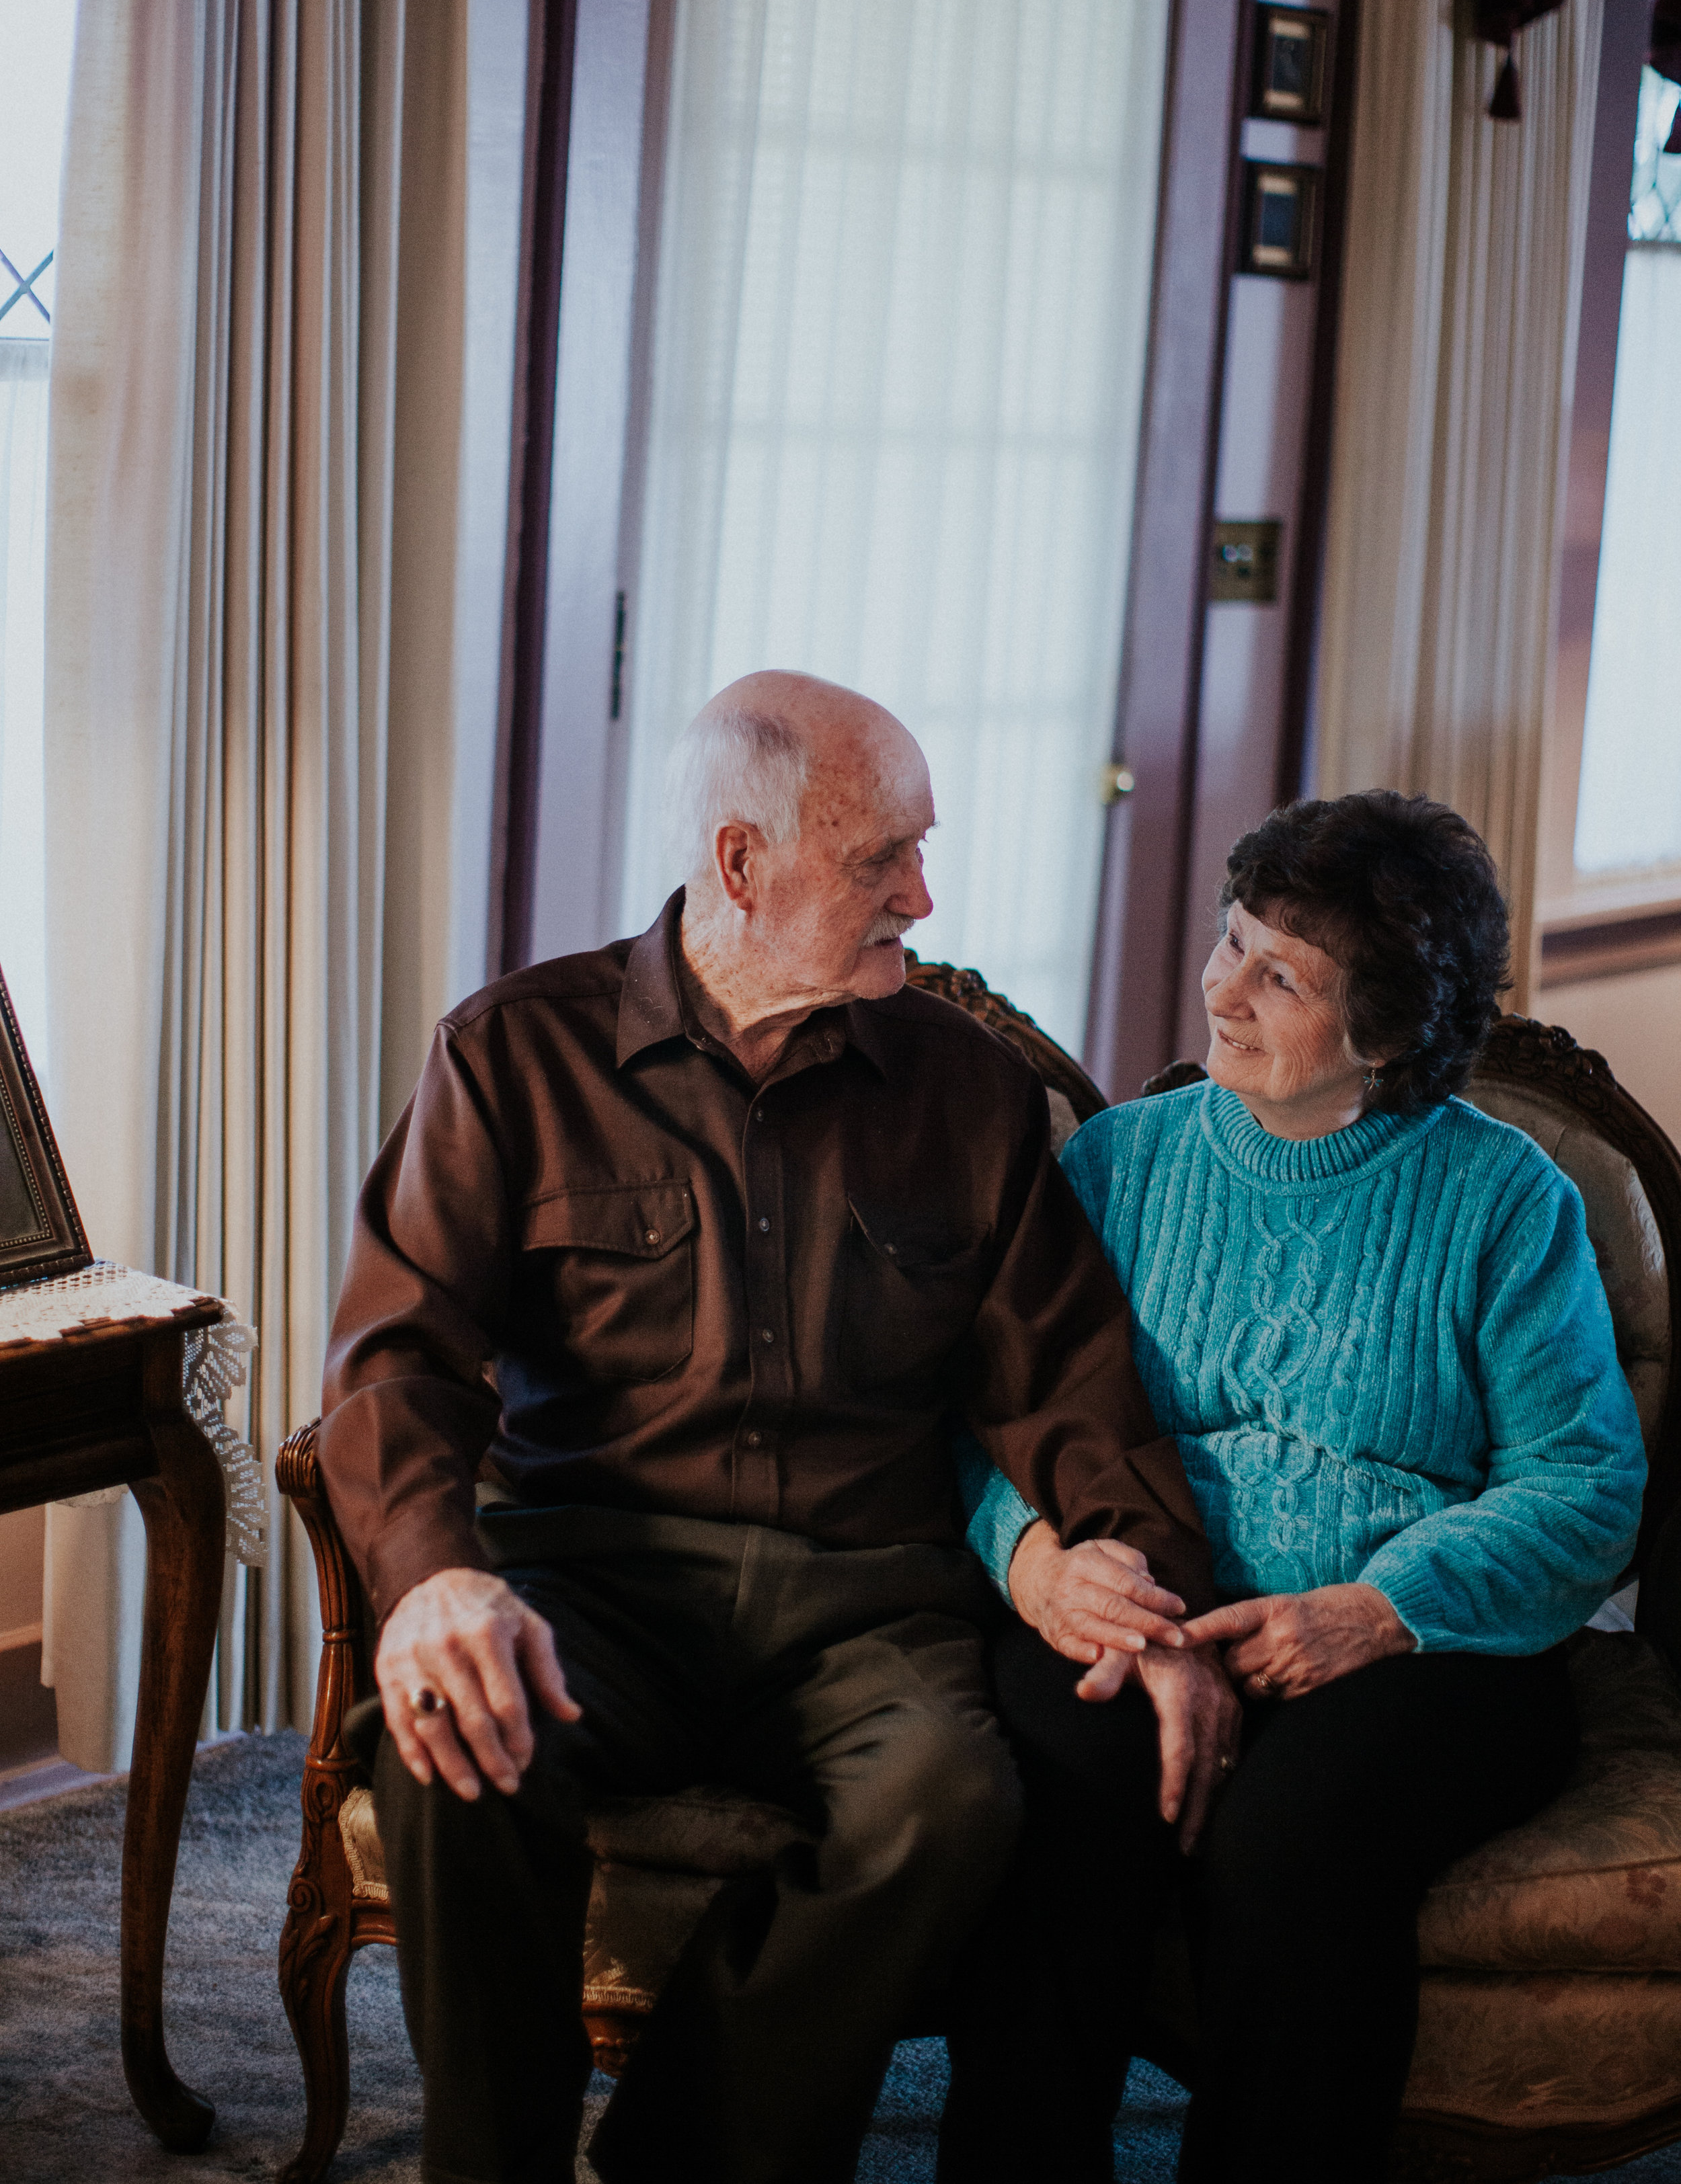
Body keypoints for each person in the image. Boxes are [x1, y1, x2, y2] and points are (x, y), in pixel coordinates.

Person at [316, 669, 1232, 2184]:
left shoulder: (970, 1095)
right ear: (740, 865)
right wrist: (435, 1579)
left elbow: (1061, 1388)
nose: (921, 898)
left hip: (864, 1603)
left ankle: (682, 2154)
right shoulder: (513, 1055)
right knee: (446, 1741)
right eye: (883, 859)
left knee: (948, 1801)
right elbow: (396, 1356)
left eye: (918, 852)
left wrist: (1141, 1585)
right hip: (594, 1583)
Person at [939, 790, 1647, 2184]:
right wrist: (1037, 1561)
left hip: (1418, 1644)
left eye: (1281, 974)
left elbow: (1582, 1485)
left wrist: (1377, 1610)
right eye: (1229, 941)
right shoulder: (1114, 1164)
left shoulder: (1503, 1199)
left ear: (1384, 1031)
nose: (1221, 989)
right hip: (1134, 1605)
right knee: (1063, 1788)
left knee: (1294, 1839)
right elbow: (984, 1416)